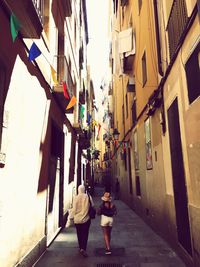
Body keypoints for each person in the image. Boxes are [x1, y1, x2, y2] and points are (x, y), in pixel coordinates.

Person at [70, 184, 94, 257]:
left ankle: (80, 247)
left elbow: (73, 209)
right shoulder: (87, 197)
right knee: (85, 234)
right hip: (86, 219)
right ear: (84, 190)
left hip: (77, 220)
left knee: (79, 233)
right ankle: (83, 248)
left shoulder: (75, 198)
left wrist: (71, 217)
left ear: (78, 190)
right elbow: (92, 205)